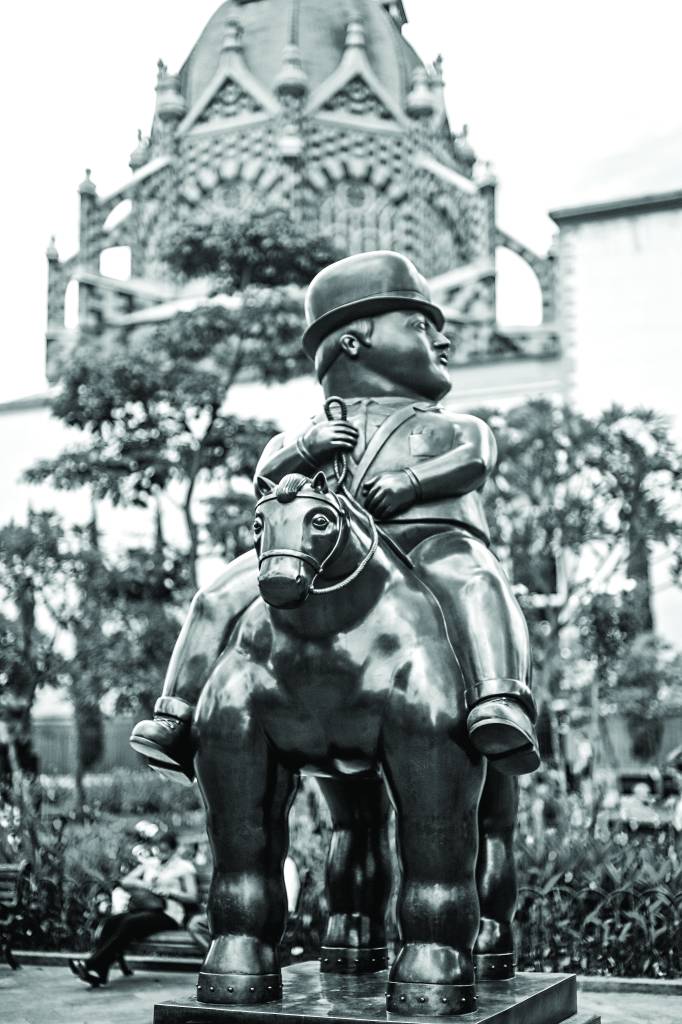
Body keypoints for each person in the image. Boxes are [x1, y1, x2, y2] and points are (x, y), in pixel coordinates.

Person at [130, 250, 539, 778]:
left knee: (478, 580)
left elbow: (475, 460)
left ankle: (499, 699)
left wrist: (411, 481)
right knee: (216, 596)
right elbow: (266, 482)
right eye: (420, 325)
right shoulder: (304, 431)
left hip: (429, 540)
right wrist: (307, 447)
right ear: (353, 343)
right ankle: (176, 715)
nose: (443, 340)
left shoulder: (453, 425)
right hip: (330, 554)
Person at [69, 830, 197, 986]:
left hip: (169, 913)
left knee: (129, 924)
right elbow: (126, 881)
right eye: (159, 849)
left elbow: (193, 896)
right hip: (147, 909)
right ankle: (101, 971)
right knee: (111, 922)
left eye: (166, 851)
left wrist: (170, 893)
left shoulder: (184, 867)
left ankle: (91, 964)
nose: (161, 854)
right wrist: (145, 884)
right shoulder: (152, 863)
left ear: (173, 850)